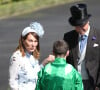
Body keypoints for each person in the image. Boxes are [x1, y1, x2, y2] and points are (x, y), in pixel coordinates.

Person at [63, 3, 100, 90]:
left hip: (93, 83)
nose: (80, 28)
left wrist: (98, 84)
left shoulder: (98, 36)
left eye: (82, 25)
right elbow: (65, 60)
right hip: (74, 83)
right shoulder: (68, 37)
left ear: (88, 21)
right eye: (78, 26)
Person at [9, 22, 54, 90]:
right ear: (23, 41)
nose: (33, 44)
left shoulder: (32, 56)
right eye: (30, 41)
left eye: (35, 41)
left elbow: (35, 74)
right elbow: (13, 82)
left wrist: (45, 62)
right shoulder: (16, 57)